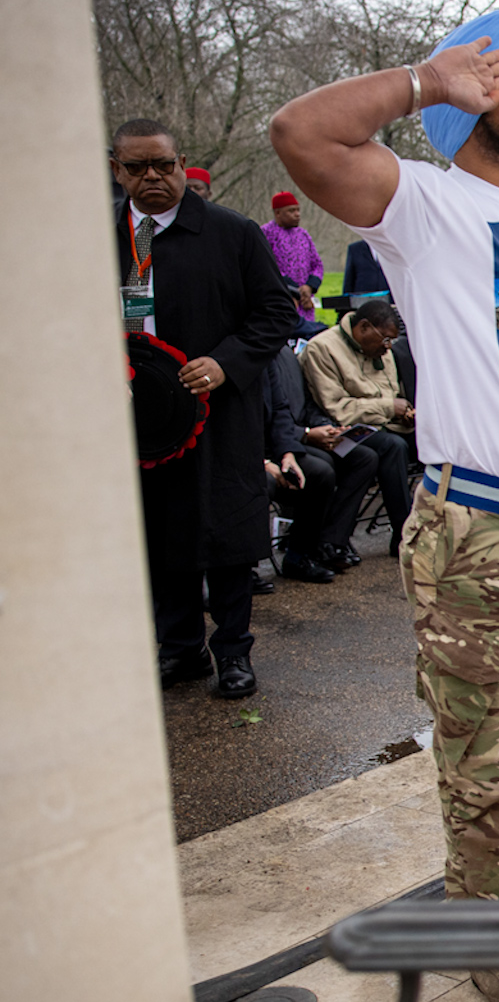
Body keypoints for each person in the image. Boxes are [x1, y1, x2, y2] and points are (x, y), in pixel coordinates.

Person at [270, 8, 499, 1002]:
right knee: (486, 754)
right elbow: (299, 134)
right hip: (483, 534)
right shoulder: (423, 204)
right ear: (469, 102)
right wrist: (427, 80)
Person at [114, 117, 299, 699]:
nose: (152, 178)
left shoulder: (232, 233)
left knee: (223, 532)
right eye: (137, 167)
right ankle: (180, 650)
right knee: (160, 533)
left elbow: (275, 314)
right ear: (116, 169)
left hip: (218, 412)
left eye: (163, 165)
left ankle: (233, 654)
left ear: (180, 163)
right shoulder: (97, 237)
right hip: (139, 420)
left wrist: (225, 363)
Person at [298, 299, 416, 554]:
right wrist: (388, 408)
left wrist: (404, 413)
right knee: (391, 447)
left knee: (431, 440)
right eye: (385, 340)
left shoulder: (380, 350)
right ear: (363, 328)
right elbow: (336, 408)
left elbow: (391, 393)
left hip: (385, 424)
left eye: (391, 342)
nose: (388, 349)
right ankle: (404, 535)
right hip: (340, 428)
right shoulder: (322, 348)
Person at [263, 342, 378, 581]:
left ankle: (330, 541)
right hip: (267, 445)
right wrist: (304, 434)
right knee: (322, 468)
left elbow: (302, 404)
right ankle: (297, 553)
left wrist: (325, 428)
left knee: (364, 458)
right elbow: (267, 419)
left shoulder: (285, 353)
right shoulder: (253, 355)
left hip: (293, 437)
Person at [261, 191, 325, 323]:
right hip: (282, 300)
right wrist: (294, 290)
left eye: (298, 210)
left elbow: (317, 265)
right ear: (278, 213)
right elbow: (267, 266)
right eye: (291, 211)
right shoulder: (266, 233)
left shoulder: (303, 234)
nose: (297, 214)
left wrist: (308, 287)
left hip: (305, 301)